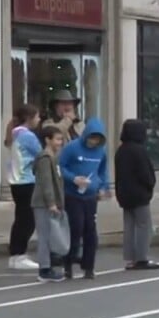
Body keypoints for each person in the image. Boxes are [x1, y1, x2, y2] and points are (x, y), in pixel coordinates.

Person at [59, 117, 110, 280]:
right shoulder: (72, 148)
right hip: (73, 195)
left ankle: (89, 266)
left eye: (97, 139)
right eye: (91, 138)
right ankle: (68, 262)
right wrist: (73, 179)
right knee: (76, 228)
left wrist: (103, 187)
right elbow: (60, 167)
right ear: (86, 135)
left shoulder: (101, 152)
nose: (93, 142)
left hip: (91, 196)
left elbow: (103, 171)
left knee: (90, 231)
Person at [115, 119, 159, 270]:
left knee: (129, 226)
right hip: (139, 194)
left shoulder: (121, 150)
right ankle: (141, 257)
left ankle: (130, 258)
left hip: (124, 194)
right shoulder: (139, 150)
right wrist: (150, 185)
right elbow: (145, 174)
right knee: (143, 225)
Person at [5, 104, 42, 271]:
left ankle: (15, 254)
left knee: (20, 218)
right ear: (29, 118)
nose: (39, 120)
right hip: (27, 180)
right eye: (37, 117)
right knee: (27, 220)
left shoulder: (14, 132)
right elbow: (41, 154)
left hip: (16, 182)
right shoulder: (28, 136)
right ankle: (19, 255)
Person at [31, 126, 67, 282]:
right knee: (44, 236)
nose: (60, 142)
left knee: (49, 234)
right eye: (57, 139)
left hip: (49, 202)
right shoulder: (45, 158)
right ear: (47, 140)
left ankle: (49, 264)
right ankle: (44, 269)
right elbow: (46, 183)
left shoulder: (53, 157)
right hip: (43, 203)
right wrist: (51, 202)